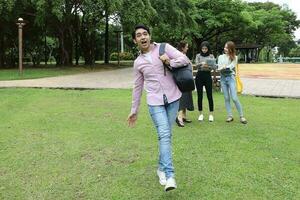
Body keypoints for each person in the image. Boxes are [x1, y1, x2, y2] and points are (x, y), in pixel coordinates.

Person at [127, 24, 190, 191]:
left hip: (173, 98)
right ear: (135, 41)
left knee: (165, 136)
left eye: (145, 33)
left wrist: (169, 61)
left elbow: (184, 59)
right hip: (155, 103)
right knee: (164, 134)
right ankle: (170, 176)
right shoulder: (138, 63)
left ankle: (161, 168)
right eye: (139, 35)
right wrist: (134, 110)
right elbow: (137, 87)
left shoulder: (163, 48)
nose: (143, 37)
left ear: (149, 36)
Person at [217, 41, 247, 124]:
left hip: (230, 78)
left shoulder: (235, 57)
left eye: (227, 48)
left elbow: (231, 66)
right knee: (226, 98)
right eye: (225, 47)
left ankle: (242, 116)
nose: (225, 49)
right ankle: (230, 116)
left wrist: (225, 67)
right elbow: (219, 66)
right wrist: (221, 68)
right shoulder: (220, 57)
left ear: (231, 49)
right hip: (223, 78)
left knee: (234, 98)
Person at [195, 41, 216, 122]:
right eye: (203, 48)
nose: (204, 50)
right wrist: (201, 64)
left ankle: (211, 114)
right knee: (200, 96)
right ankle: (200, 114)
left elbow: (214, 67)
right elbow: (196, 65)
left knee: (209, 95)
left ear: (208, 48)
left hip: (207, 76)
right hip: (199, 76)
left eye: (206, 48)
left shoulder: (211, 56)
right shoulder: (198, 55)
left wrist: (208, 65)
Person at [175, 41, 194, 127]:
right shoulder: (178, 56)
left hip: (187, 79)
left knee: (187, 97)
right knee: (183, 98)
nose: (187, 48)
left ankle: (184, 116)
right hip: (182, 80)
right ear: (182, 48)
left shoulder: (183, 55)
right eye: (186, 47)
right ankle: (179, 117)